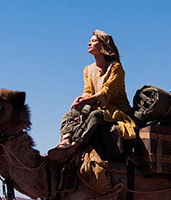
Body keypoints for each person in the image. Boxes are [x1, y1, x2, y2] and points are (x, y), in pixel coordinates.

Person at [48, 30, 137, 161]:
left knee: (95, 116)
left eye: (94, 40)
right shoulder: (88, 69)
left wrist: (86, 101)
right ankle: (65, 141)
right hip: (95, 107)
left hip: (115, 109)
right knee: (70, 115)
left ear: (104, 46)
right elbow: (88, 90)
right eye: (90, 40)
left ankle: (75, 145)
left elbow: (107, 93)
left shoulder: (116, 68)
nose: (89, 43)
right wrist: (81, 100)